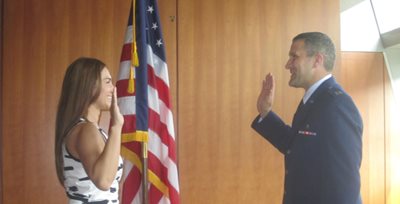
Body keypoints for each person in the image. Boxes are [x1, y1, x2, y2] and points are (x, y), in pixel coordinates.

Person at [251, 32, 363, 204]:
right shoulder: (315, 99)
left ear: (317, 60)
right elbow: (296, 146)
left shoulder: (337, 105)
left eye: (294, 57)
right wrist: (266, 112)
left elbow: (346, 185)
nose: (288, 64)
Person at [55, 57, 124, 203]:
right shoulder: (86, 130)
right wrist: (117, 126)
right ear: (89, 86)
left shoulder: (90, 129)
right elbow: (104, 181)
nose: (113, 88)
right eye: (107, 81)